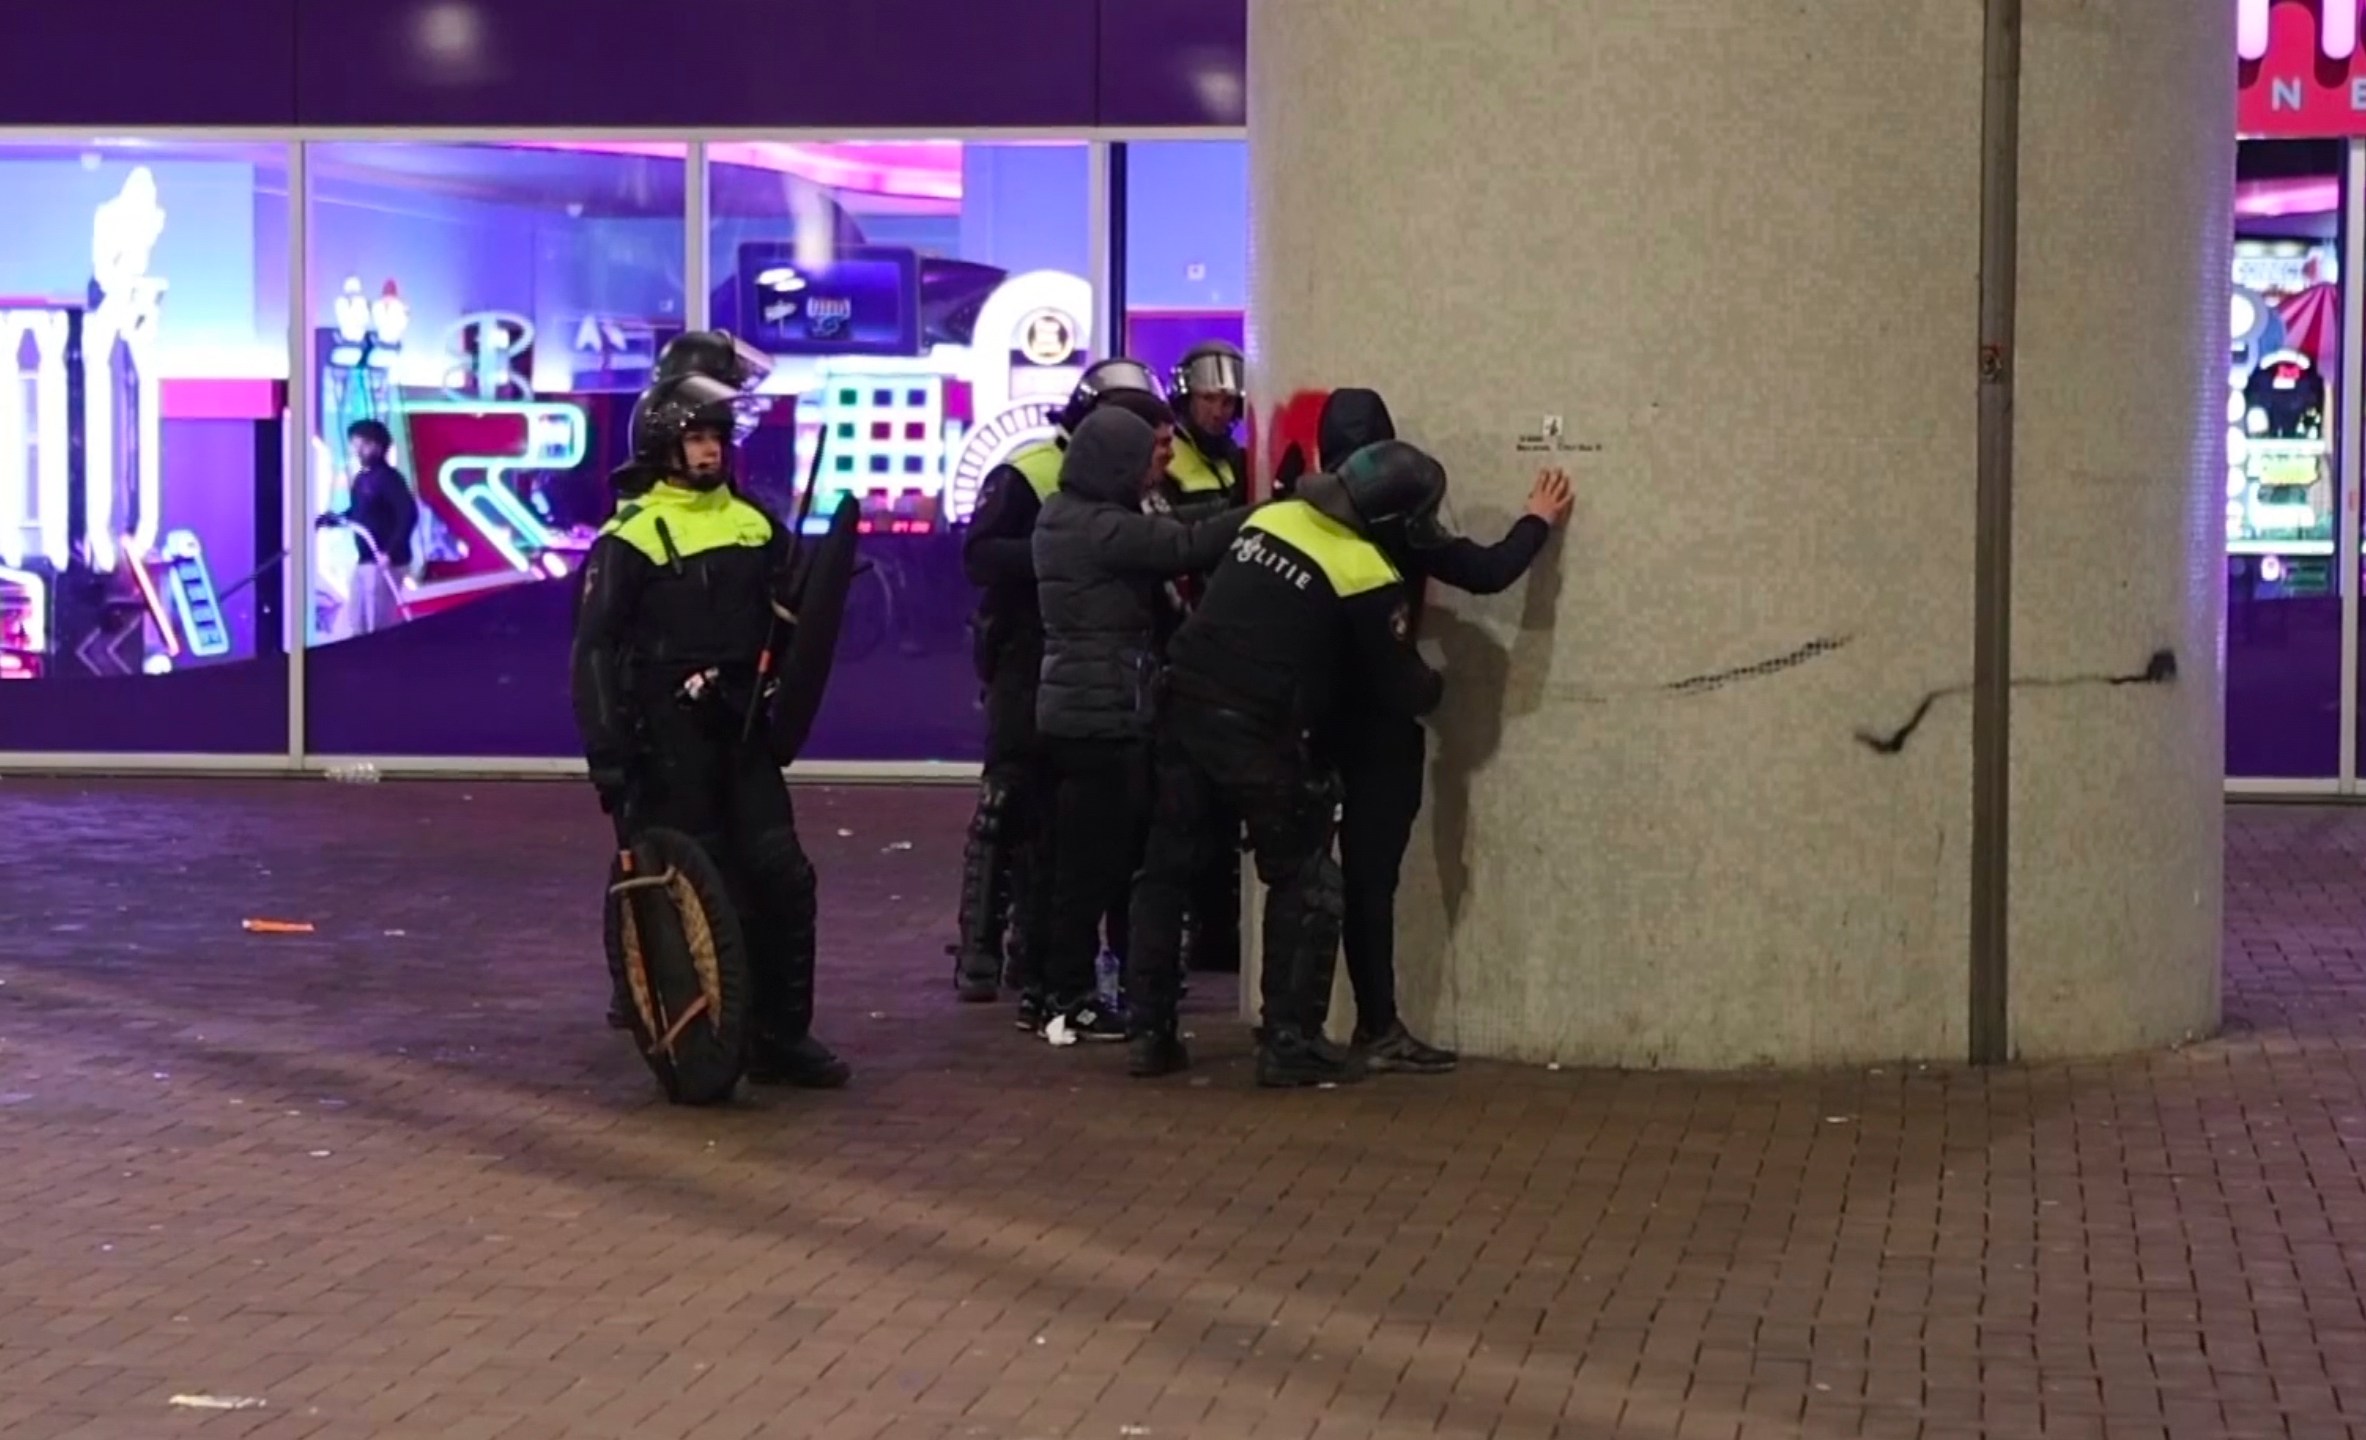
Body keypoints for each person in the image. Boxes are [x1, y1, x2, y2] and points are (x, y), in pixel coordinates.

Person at [1125, 440, 1449, 1087]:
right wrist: (1442, 684)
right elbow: (1400, 686)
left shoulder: (1271, 518)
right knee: (1308, 878)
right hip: (1256, 730)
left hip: (1181, 705)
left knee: (1167, 871)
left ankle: (1149, 1034)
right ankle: (1289, 1043)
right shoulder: (1363, 569)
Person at [569, 369, 849, 1089]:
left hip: (744, 731)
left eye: (717, 438)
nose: (709, 451)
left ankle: (782, 1036)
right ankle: (707, 1045)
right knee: (704, 891)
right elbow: (593, 651)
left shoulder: (754, 524)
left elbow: (798, 617)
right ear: (663, 447)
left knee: (784, 878)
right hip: (669, 744)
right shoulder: (629, 537)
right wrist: (608, 754)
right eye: (695, 438)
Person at [1306, 389, 1573, 1073]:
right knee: (1370, 879)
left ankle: (1295, 1027)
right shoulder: (1402, 520)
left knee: (1301, 878)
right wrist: (1536, 521)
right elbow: (1486, 572)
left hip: (1306, 719)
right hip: (1380, 723)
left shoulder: (1298, 516)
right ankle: (1377, 1026)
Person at [954, 359, 1174, 1028]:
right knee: (1012, 803)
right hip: (1028, 651)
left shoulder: (1140, 482)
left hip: (1102, 661)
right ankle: (985, 952)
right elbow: (980, 556)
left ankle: (1061, 969)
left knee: (1084, 831)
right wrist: (1068, 556)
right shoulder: (1029, 471)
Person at [1032, 405, 1247, 1043]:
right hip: (1100, 717)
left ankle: (1062, 991)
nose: (1158, 468)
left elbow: (1176, 526)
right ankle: (1068, 997)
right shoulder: (1100, 528)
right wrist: (1267, 511)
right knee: (1092, 868)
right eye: (1145, 458)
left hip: (1081, 711)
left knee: (1082, 862)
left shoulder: (1066, 516)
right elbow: (1183, 543)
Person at [1155, 340, 1253, 979]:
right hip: (1179, 636)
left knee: (1223, 806)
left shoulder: (1236, 459)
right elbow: (1170, 532)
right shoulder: (1167, 460)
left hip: (1227, 637)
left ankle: (1218, 935)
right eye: (1210, 399)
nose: (1220, 410)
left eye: (1229, 401)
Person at [316, 419, 418, 638]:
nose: (358, 450)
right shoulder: (362, 479)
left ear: (377, 446)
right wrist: (333, 520)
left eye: (363, 445)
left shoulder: (389, 479)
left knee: (377, 625)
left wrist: (389, 552)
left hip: (385, 561)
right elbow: (358, 513)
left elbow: (408, 514)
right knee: (357, 620)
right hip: (365, 560)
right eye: (356, 445)